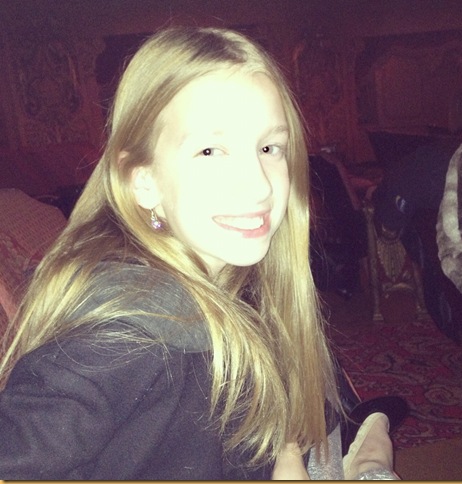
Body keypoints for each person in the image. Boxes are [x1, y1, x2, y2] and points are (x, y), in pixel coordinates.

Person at [0, 26, 398, 480]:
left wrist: (286, 452)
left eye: (269, 147)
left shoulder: (234, 275)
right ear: (143, 181)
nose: (259, 186)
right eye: (210, 150)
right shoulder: (123, 338)